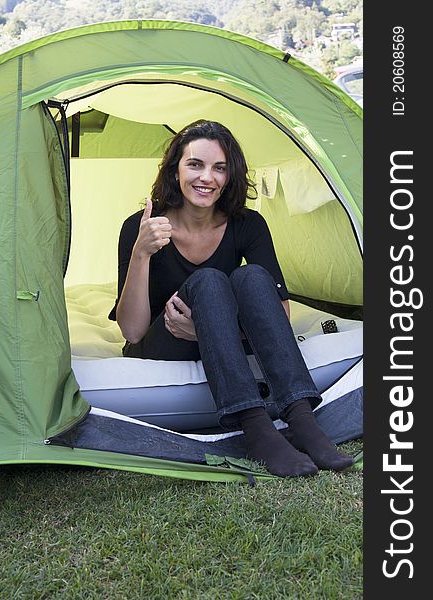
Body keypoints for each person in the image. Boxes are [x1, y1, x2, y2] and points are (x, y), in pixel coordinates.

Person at [109, 119, 353, 477]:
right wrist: (141, 253)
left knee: (252, 276)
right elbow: (132, 332)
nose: (207, 177)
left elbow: (278, 312)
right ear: (175, 170)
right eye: (195, 164)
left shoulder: (247, 224)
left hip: (225, 338)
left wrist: (208, 330)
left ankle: (302, 419)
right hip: (167, 340)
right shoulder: (143, 226)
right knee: (208, 280)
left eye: (219, 168)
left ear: (229, 176)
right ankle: (255, 427)